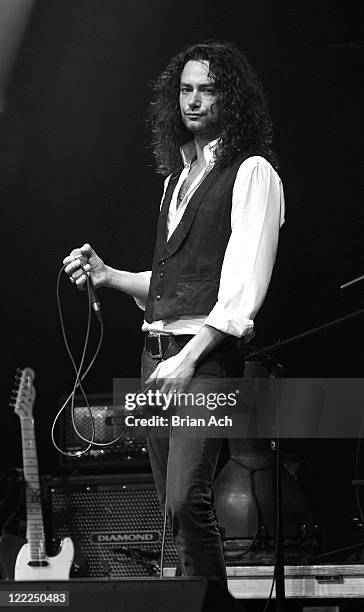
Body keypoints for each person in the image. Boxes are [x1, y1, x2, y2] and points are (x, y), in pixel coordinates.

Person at [63, 41, 285, 586]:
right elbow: (170, 283)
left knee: (187, 497)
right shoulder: (175, 181)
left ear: (229, 99)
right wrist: (110, 276)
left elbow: (240, 289)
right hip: (155, 359)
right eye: (185, 89)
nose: (194, 100)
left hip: (203, 362)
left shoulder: (251, 172)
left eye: (207, 89)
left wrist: (189, 358)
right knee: (168, 506)